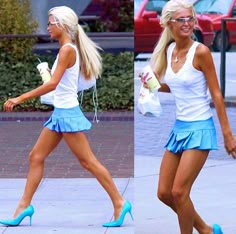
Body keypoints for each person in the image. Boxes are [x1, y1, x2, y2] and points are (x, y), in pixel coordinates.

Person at [0, 6, 133, 227]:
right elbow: (58, 82)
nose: (48, 26)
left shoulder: (67, 50)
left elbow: (52, 85)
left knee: (88, 161)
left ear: (62, 25)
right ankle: (23, 207)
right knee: (36, 157)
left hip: (67, 113)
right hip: (60, 113)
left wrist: (19, 98)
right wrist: (48, 75)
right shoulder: (67, 49)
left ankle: (120, 202)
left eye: (51, 22)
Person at [146, 0, 236, 233]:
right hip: (179, 128)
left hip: (200, 128)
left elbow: (216, 94)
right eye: (181, 19)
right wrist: (152, 84)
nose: (187, 24)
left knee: (179, 192)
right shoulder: (169, 51)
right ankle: (206, 229)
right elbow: (174, 88)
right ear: (169, 24)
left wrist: (228, 134)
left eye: (190, 19)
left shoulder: (201, 52)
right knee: (164, 193)